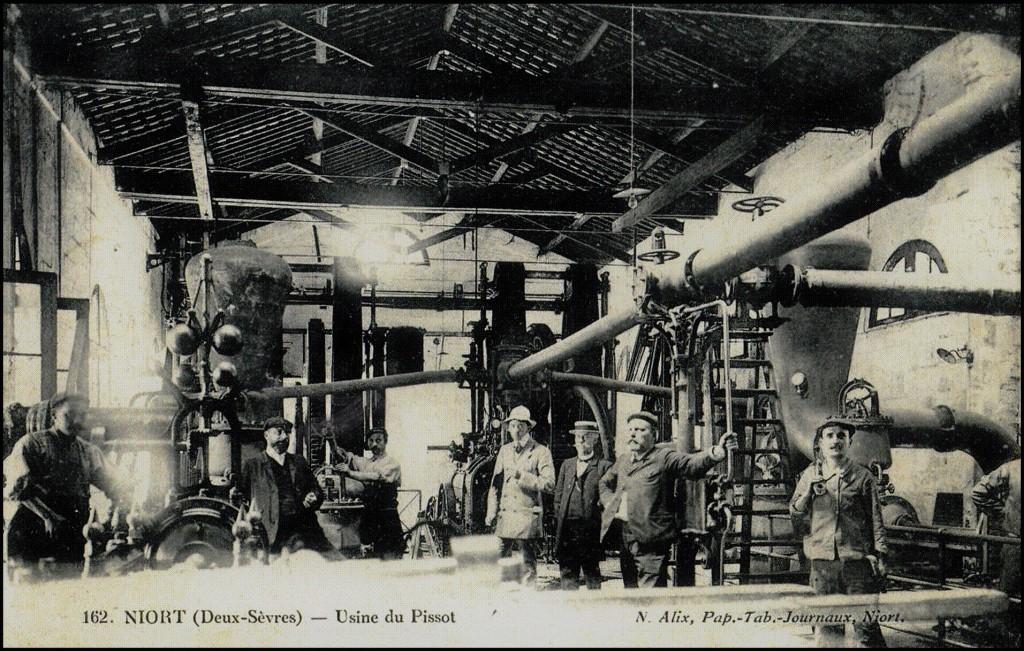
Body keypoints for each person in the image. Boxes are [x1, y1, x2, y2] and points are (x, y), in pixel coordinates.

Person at [599, 411, 737, 588]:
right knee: (630, 590)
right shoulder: (624, 460)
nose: (633, 434)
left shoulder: (663, 457)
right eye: (631, 429)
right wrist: (610, 502)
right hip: (625, 535)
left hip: (651, 538)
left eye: (640, 430)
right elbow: (604, 482)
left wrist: (717, 452)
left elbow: (691, 464)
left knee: (652, 593)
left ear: (654, 435)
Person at [3, 392, 128, 575]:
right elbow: (18, 490)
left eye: (82, 415)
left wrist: (118, 509)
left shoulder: (88, 451)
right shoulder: (31, 444)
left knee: (69, 584)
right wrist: (47, 517)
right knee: (29, 583)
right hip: (33, 527)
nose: (77, 420)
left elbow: (114, 485)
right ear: (54, 416)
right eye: (69, 415)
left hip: (72, 530)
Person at [790, 417, 888, 648]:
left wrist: (881, 556)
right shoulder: (810, 475)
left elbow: (876, 519)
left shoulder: (863, 477)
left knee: (866, 628)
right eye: (830, 436)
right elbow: (795, 512)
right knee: (828, 629)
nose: (836, 440)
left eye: (841, 436)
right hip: (823, 565)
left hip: (857, 563)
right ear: (821, 443)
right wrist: (808, 493)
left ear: (849, 442)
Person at [239, 417, 333, 555]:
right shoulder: (252, 465)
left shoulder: (299, 462)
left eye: (287, 433)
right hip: (271, 534)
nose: (284, 437)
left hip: (304, 531)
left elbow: (317, 490)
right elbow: (241, 499)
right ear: (266, 435)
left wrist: (313, 496)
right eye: (279, 432)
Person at [485, 405, 556, 586]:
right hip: (506, 516)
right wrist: (491, 511)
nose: (516, 430)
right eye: (513, 425)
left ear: (528, 428)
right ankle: (501, 596)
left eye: (520, 426)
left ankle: (528, 596)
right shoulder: (505, 450)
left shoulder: (541, 451)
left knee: (527, 565)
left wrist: (522, 476)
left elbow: (549, 483)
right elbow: (495, 484)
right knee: (498, 560)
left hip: (526, 517)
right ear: (508, 428)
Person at [554, 421, 612, 590]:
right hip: (567, 529)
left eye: (586, 437)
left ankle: (593, 605)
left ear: (595, 440)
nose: (581, 441)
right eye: (578, 437)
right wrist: (560, 518)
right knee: (567, 573)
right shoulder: (567, 465)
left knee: (592, 573)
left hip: (590, 531)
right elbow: (558, 497)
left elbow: (609, 499)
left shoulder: (603, 466)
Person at [336, 427, 405, 560]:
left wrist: (350, 473)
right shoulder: (368, 463)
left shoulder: (392, 463)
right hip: (370, 515)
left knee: (390, 555)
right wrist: (339, 451)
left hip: (387, 517)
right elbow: (353, 458)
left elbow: (376, 476)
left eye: (378, 440)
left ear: (385, 442)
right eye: (371, 441)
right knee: (370, 554)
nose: (374, 444)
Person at [972, 456, 1020, 643]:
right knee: (1008, 599)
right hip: (1015, 545)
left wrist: (1003, 514)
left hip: (1014, 541)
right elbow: (978, 493)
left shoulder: (1011, 468)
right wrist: (1003, 513)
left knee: (1008, 597)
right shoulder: (1011, 469)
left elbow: (979, 492)